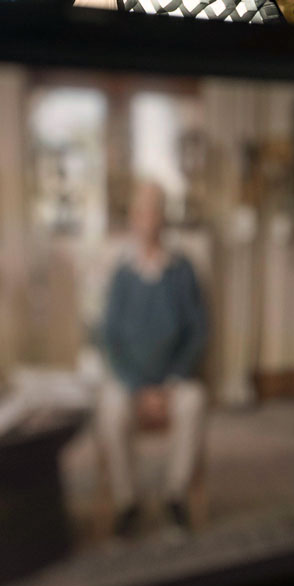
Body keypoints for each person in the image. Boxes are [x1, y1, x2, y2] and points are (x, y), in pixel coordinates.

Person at [96, 180, 209, 534]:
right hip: (131, 382)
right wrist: (137, 387)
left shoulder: (182, 269)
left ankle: (174, 494)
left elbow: (198, 330)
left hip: (173, 380)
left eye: (155, 212)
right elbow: (108, 337)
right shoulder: (122, 274)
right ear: (133, 218)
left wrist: (172, 381)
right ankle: (128, 501)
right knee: (110, 409)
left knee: (195, 402)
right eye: (142, 212)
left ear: (164, 219)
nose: (148, 220)